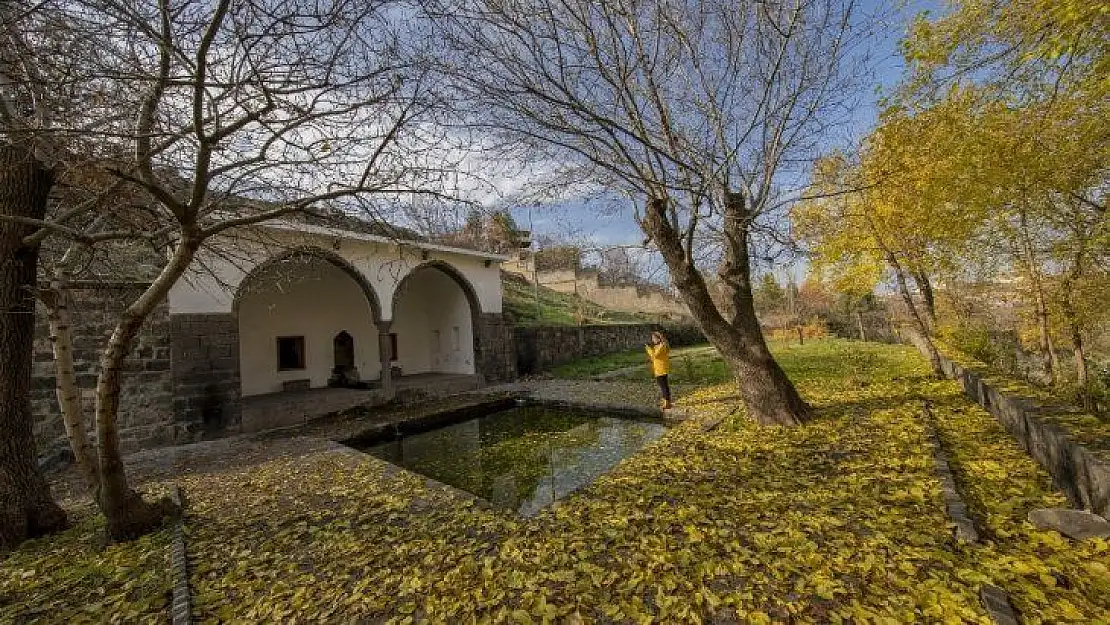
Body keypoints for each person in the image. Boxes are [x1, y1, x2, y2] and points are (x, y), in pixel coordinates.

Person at [645, 331, 673, 410]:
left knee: (663, 386)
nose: (652, 340)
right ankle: (666, 401)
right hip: (659, 368)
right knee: (664, 386)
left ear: (658, 339)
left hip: (661, 369)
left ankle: (667, 403)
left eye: (653, 338)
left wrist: (648, 349)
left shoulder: (662, 346)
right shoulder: (659, 346)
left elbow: (654, 355)